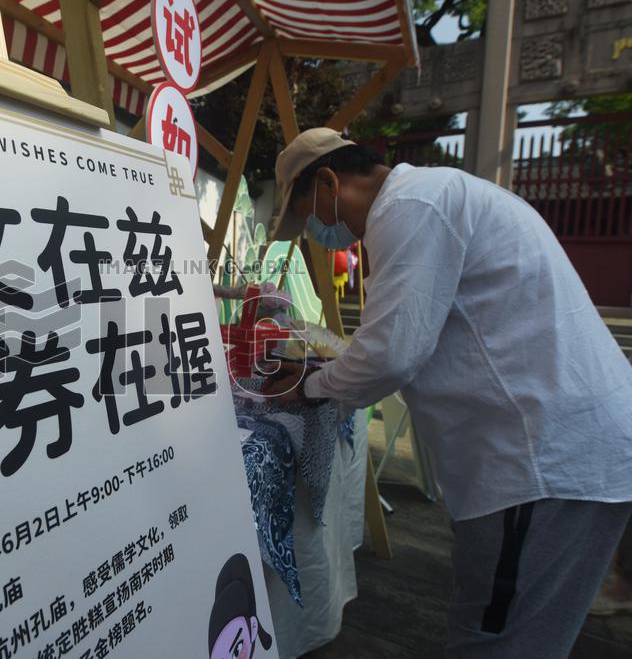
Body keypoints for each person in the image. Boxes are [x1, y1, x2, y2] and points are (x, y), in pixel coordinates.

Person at [263, 127, 632, 658]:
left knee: (498, 640)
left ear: (328, 181)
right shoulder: (437, 195)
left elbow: (390, 352)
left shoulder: (412, 206)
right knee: (507, 627)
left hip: (541, 461)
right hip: (553, 451)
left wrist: (308, 386)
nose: (319, 233)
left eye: (310, 214)